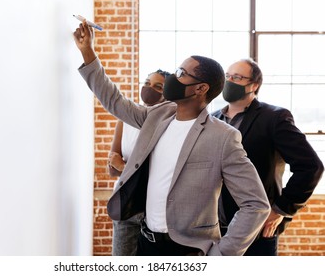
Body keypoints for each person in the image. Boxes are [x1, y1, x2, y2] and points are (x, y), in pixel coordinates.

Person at [73, 21, 270, 256]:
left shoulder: (223, 137)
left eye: (181, 74)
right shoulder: (157, 116)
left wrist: (222, 255)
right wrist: (88, 52)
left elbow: (256, 205)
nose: (173, 78)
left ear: (200, 89)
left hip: (188, 249)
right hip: (146, 242)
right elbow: (114, 101)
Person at [212, 58, 324, 256]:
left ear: (254, 85)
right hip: (213, 228)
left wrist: (281, 210)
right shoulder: (213, 119)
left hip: (255, 228)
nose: (229, 81)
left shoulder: (274, 117)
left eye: (237, 77)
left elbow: (311, 167)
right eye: (227, 76)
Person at [108, 69, 170, 256]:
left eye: (158, 86)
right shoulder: (125, 119)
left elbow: (159, 171)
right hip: (126, 204)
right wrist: (118, 167)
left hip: (156, 209)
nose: (149, 88)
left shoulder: (169, 123)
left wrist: (122, 166)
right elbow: (111, 168)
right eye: (147, 83)